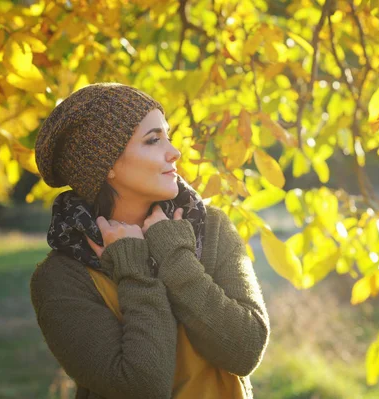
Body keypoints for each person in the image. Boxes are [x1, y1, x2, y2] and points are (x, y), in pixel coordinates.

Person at [30, 83, 270, 399]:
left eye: (167, 137)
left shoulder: (211, 229)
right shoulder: (61, 279)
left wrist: (173, 253)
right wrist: (133, 268)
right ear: (107, 164)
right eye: (153, 140)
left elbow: (245, 350)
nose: (174, 152)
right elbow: (142, 387)